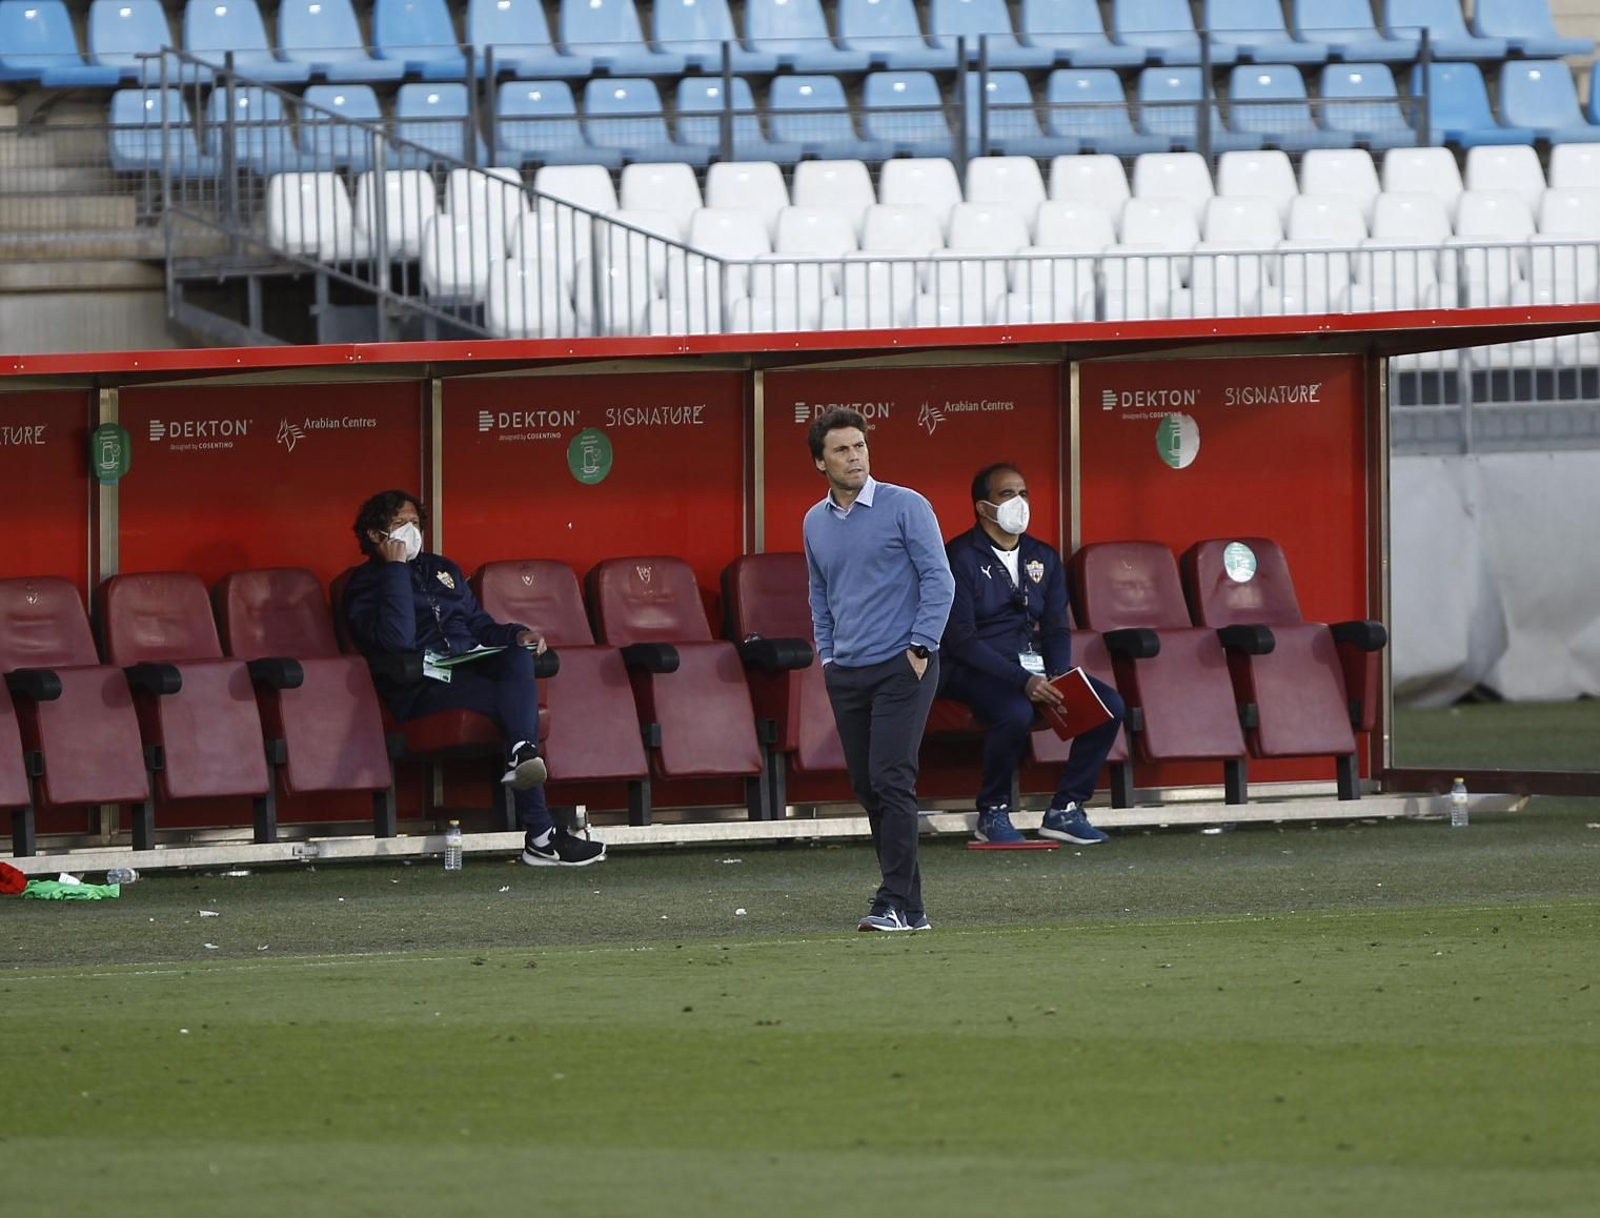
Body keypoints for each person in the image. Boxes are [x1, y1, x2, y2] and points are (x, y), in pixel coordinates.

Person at [341, 490, 605, 868]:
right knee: (511, 708)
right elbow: (396, 641)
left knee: (517, 656)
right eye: (400, 523)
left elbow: (478, 623)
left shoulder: (442, 569)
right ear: (374, 535)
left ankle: (525, 768)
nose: (411, 531)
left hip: (467, 664)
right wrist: (395, 568)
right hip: (420, 684)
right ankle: (541, 833)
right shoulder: (364, 583)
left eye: (415, 523)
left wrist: (517, 633)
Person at [803, 409, 955, 932]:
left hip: (902, 666)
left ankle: (891, 900)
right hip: (847, 670)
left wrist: (920, 647)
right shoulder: (813, 521)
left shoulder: (906, 505)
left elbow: (940, 579)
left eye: (860, 446)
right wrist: (828, 655)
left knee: (892, 779)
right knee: (870, 786)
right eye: (842, 450)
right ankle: (911, 908)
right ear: (820, 462)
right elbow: (820, 593)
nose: (855, 457)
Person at [940, 463, 1125, 846]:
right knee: (1015, 711)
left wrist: (1058, 673)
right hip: (970, 667)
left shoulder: (1043, 555)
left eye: (1023, 493)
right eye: (1007, 494)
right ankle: (992, 812)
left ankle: (1066, 809)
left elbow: (1056, 625)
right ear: (982, 506)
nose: (1019, 502)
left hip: (1033, 666)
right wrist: (1024, 682)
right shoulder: (959, 556)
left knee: (1107, 705)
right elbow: (960, 640)